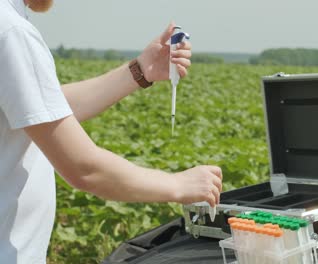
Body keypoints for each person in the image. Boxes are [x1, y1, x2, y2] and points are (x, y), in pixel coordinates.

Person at [0, 0, 223, 263]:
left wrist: (141, 70)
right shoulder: (11, 31)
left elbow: (42, 110)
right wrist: (178, 184)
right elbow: (84, 168)